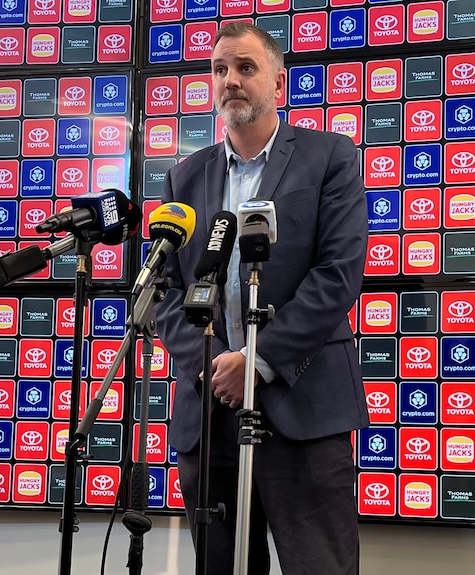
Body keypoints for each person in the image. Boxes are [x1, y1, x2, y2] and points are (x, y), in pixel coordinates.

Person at [154, 22, 369, 575]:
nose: (231, 80)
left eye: (245, 68)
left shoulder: (329, 157)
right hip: (210, 411)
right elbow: (164, 290)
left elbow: (338, 274)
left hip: (302, 407)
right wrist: (215, 368)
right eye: (220, 69)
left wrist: (258, 360)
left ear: (277, 81)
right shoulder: (184, 178)